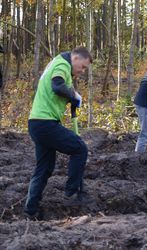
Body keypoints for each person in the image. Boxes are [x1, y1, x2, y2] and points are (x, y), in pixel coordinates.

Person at [24, 47, 93, 219]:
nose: (82, 71)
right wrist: (74, 95)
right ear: (75, 58)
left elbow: (58, 88)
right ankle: (72, 193)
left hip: (37, 123)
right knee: (80, 149)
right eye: (82, 67)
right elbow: (57, 86)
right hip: (45, 123)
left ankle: (31, 210)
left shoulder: (57, 63)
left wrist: (71, 97)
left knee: (44, 168)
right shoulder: (62, 65)